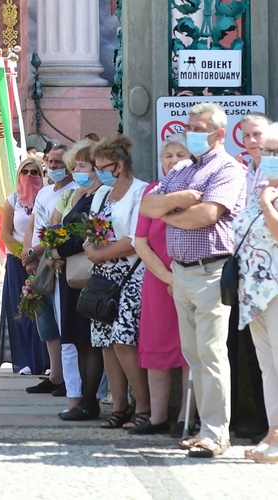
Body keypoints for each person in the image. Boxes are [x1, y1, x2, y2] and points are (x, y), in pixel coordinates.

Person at [140, 102, 245, 458]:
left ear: (218, 134)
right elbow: (147, 207)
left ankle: (216, 433)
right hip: (182, 272)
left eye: (200, 129)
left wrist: (170, 210)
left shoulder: (228, 169)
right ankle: (202, 428)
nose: (192, 134)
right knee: (193, 355)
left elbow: (206, 215)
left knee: (212, 354)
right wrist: (179, 202)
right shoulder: (182, 167)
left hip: (211, 270)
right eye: (189, 127)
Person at [84, 136, 149, 430]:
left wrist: (98, 254)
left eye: (102, 167)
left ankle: (144, 405)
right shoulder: (101, 195)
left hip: (132, 273)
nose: (98, 173)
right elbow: (90, 231)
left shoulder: (140, 192)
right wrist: (91, 248)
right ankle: (119, 405)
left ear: (119, 165)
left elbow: (135, 240)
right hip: (104, 276)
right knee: (105, 342)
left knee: (124, 339)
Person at [132, 134, 194, 435]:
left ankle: (185, 417)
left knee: (189, 352)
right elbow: (140, 242)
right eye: (168, 156)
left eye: (180, 154)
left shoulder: (200, 191)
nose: (173, 161)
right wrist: (169, 278)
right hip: (159, 284)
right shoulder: (152, 192)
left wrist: (180, 279)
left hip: (193, 279)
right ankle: (157, 418)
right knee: (156, 351)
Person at [45, 141, 105, 421]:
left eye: (81, 166)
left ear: (95, 168)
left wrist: (58, 250)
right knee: (79, 342)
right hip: (71, 275)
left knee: (88, 341)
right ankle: (82, 400)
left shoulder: (98, 197)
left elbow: (84, 235)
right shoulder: (83, 194)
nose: (76, 171)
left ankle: (89, 401)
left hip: (85, 275)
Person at [235, 123, 278, 462]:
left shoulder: (264, 194)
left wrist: (266, 203)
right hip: (254, 292)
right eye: (268, 151)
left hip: (275, 289)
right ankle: (272, 433)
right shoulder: (258, 186)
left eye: (276, 152)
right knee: (268, 367)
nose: (270, 157)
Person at [20, 144, 77, 395]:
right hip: (39, 262)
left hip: (59, 259)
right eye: (50, 162)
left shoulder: (74, 192)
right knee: (45, 320)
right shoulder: (44, 192)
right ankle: (55, 375)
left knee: (62, 318)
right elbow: (33, 224)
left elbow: (59, 231)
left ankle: (70, 378)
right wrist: (28, 254)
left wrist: (35, 252)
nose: (53, 166)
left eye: (59, 162)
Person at [0, 155, 48, 375]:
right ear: (19, 175)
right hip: (18, 262)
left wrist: (35, 255)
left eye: (34, 172)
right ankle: (25, 359)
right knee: (21, 312)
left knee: (44, 311)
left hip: (44, 261)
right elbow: (6, 234)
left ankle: (47, 360)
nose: (29, 176)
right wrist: (25, 256)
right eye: (25, 172)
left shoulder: (47, 198)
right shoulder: (12, 200)